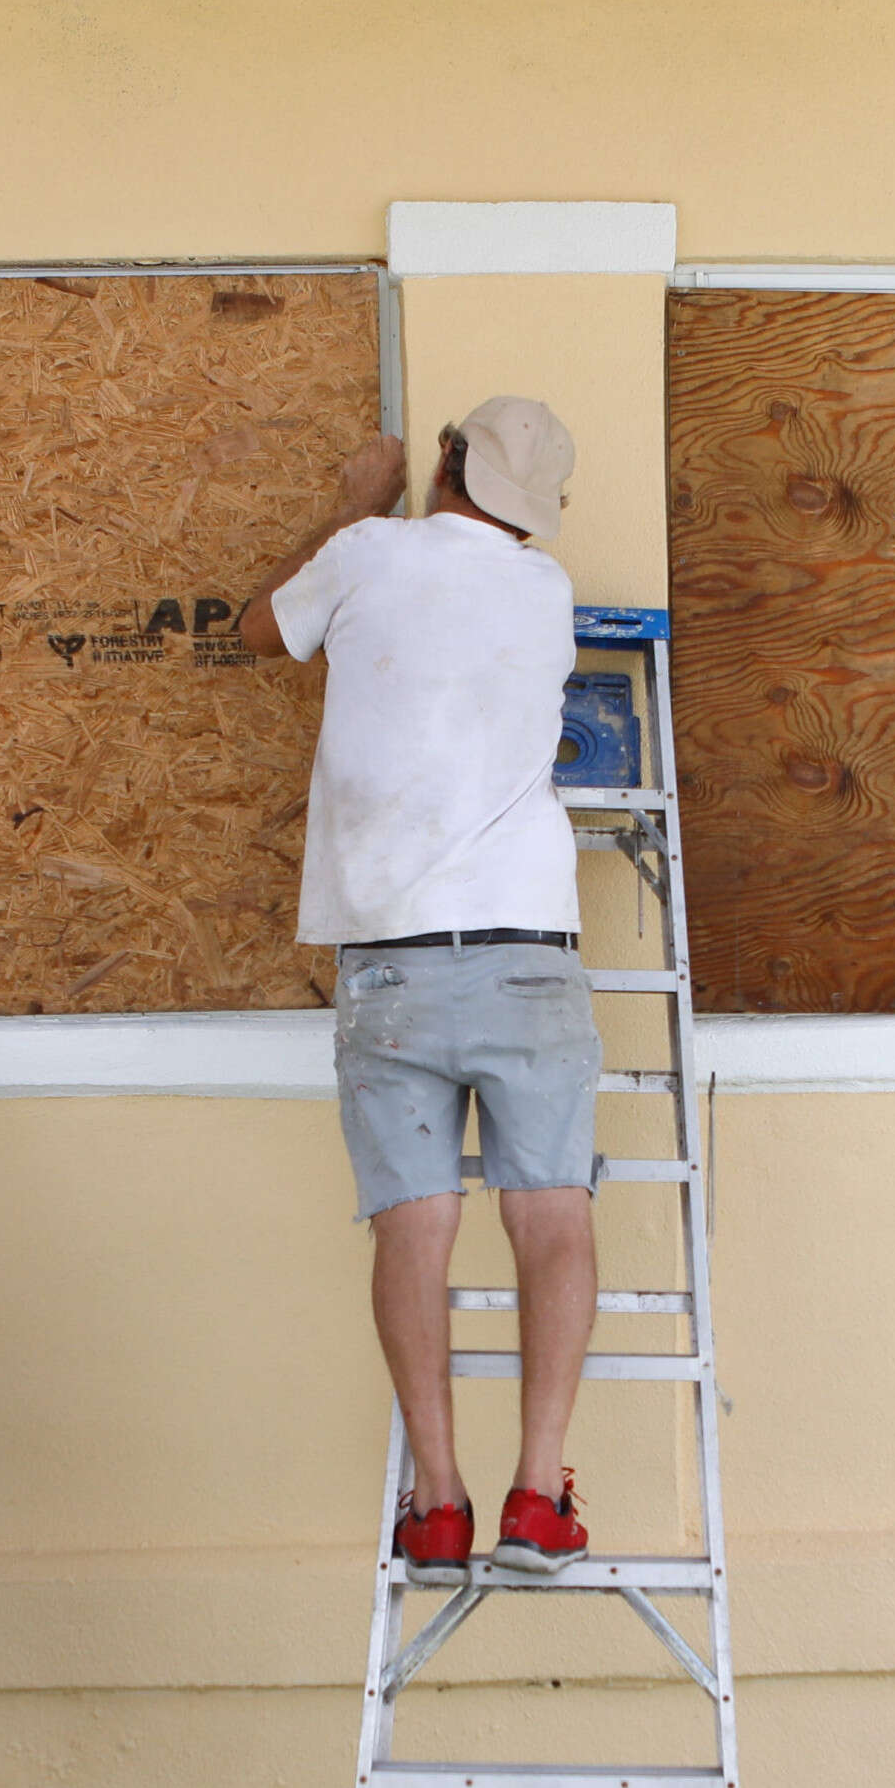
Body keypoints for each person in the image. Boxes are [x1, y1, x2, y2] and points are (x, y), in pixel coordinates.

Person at [244, 396, 600, 1574]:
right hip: (527, 950)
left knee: (415, 1231)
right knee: (551, 1218)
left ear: (444, 463)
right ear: (530, 509)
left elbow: (259, 631)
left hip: (392, 957)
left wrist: (356, 494)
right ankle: (537, 1495)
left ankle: (437, 1501)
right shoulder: (544, 592)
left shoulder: (364, 554)